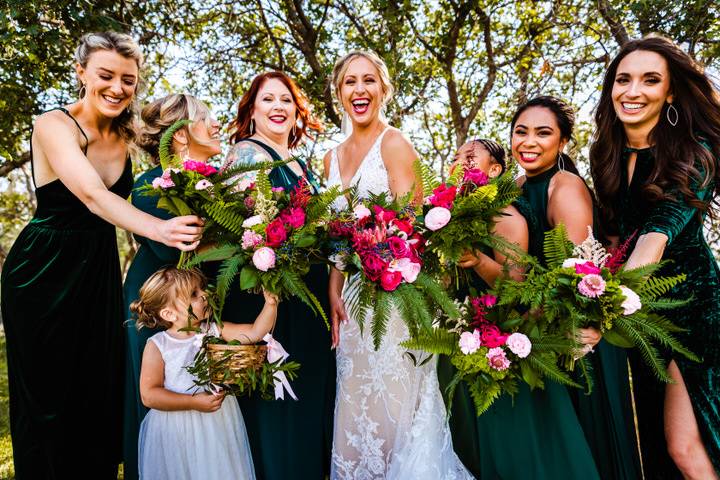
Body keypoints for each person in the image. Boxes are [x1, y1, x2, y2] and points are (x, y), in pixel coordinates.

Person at [0, 32, 202, 479]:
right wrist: (159, 228)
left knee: (97, 387)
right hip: (43, 269)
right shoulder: (53, 124)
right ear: (81, 73)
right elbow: (92, 195)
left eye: (127, 80)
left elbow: (175, 142)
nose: (116, 88)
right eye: (105, 75)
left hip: (99, 267)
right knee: (49, 394)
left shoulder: (127, 131)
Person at [324, 50, 472, 480]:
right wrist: (334, 287)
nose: (359, 90)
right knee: (356, 401)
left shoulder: (394, 143)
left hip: (395, 293)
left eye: (368, 81)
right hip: (352, 297)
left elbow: (413, 227)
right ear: (339, 92)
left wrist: (382, 261)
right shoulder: (329, 157)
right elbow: (336, 233)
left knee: (396, 398)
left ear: (383, 89)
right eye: (350, 82)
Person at [590, 35, 720, 479]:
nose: (633, 91)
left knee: (686, 444)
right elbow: (613, 241)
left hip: (694, 313)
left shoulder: (694, 151)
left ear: (669, 91)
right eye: (623, 79)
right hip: (640, 317)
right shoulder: (607, 154)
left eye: (650, 80)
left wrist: (601, 310)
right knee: (655, 452)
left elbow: (654, 238)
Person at [513, 95, 641, 479]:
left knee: (588, 446)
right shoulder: (516, 186)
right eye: (521, 132)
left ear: (563, 141)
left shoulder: (564, 187)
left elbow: (579, 275)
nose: (529, 142)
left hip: (577, 335)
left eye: (543, 133)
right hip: (540, 333)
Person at [222, 70, 336, 480]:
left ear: (296, 111)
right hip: (271, 299)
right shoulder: (245, 154)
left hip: (309, 300)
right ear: (252, 111)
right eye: (268, 100)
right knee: (280, 408)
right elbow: (239, 231)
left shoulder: (300, 162)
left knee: (306, 403)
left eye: (286, 100)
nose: (278, 107)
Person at [122, 93, 222, 480]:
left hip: (197, 304)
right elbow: (191, 244)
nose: (216, 127)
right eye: (206, 119)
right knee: (158, 395)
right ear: (180, 136)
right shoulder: (150, 187)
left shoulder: (215, 184)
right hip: (158, 309)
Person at [133, 266, 279, 480]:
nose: (205, 294)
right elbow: (149, 395)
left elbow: (254, 333)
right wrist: (193, 402)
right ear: (169, 313)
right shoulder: (158, 345)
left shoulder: (213, 329)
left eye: (201, 289)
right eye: (194, 294)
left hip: (215, 424)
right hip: (175, 430)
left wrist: (271, 304)